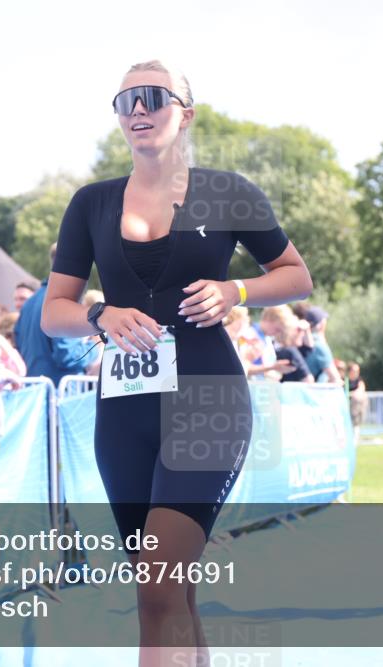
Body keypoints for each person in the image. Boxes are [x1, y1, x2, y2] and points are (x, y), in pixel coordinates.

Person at [41, 59, 313, 665]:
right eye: (125, 100)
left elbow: (297, 276)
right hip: (124, 412)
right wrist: (98, 314)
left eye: (153, 97)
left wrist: (236, 291)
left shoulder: (227, 192)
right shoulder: (91, 204)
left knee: (158, 585)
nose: (137, 109)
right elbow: (51, 311)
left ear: (184, 113)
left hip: (208, 403)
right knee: (171, 589)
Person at [17, 243, 101, 385]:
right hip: (61, 394)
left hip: (36, 392)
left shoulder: (29, 303)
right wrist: (95, 346)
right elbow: (67, 355)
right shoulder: (63, 303)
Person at [347, 362, 368, 439]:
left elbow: (361, 388)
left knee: (356, 424)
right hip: (347, 407)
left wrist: (352, 394)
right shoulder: (345, 380)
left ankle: (354, 440)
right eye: (354, 370)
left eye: (357, 371)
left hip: (356, 407)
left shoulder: (359, 380)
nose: (356, 373)